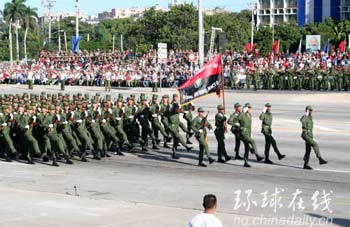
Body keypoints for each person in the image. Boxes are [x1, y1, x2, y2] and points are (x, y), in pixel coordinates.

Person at [300, 106, 328, 170]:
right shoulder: (304, 117)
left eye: (311, 110)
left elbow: (310, 129)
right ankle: (320, 158)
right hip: (305, 135)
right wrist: (306, 114)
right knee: (315, 144)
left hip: (309, 135)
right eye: (309, 110)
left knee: (308, 150)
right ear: (307, 110)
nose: (311, 111)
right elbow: (302, 121)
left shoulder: (310, 118)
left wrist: (312, 137)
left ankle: (305, 164)